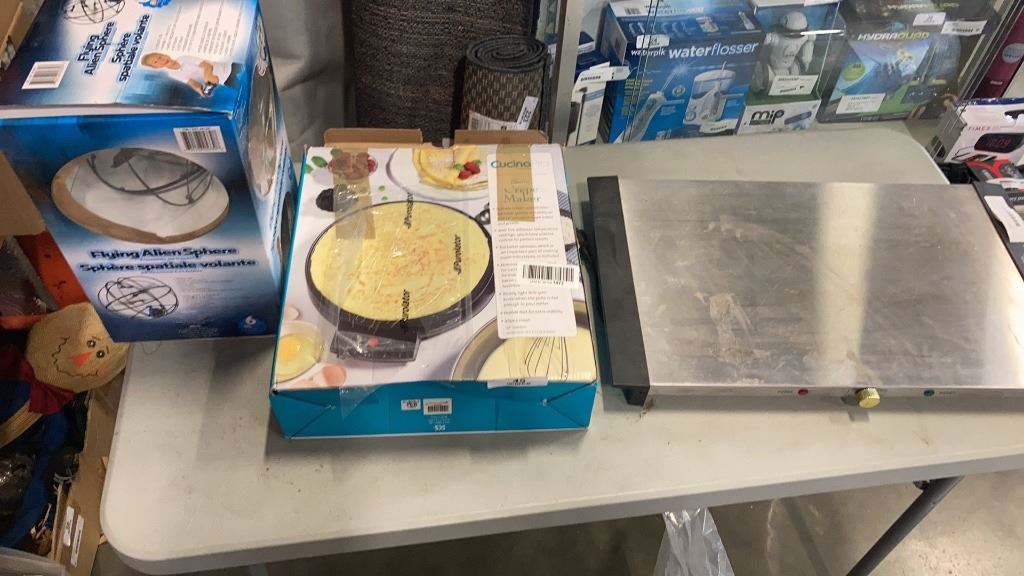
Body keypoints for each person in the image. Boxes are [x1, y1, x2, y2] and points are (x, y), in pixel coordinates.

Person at [141, 52, 234, 97]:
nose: (161, 60)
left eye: (160, 57)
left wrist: (207, 77)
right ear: (157, 67)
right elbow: (191, 82)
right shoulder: (172, 74)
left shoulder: (184, 58)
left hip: (228, 69)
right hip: (223, 80)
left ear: (165, 54)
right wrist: (199, 90)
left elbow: (206, 65)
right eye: (156, 62)